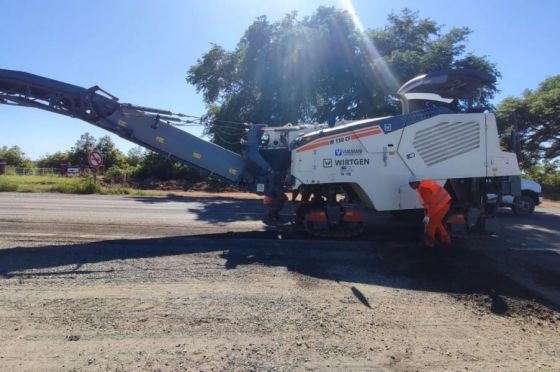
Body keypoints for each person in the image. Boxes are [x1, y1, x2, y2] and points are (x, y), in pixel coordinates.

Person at [408, 175, 452, 248]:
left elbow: (431, 205)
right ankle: (446, 239)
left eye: (411, 184)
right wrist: (427, 213)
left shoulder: (423, 189)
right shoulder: (422, 185)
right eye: (410, 184)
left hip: (442, 205)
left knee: (431, 223)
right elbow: (428, 203)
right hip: (443, 203)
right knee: (436, 222)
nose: (411, 186)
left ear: (416, 182)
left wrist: (428, 216)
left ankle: (429, 243)